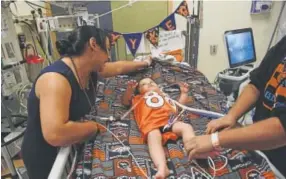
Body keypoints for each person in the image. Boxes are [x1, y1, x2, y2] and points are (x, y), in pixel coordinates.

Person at [21, 26, 153, 179]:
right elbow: (55, 133)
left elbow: (118, 67)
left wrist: (145, 63)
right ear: (93, 44)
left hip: (67, 146)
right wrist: (93, 127)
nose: (109, 57)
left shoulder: (89, 70)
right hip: (44, 156)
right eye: (108, 49)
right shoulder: (55, 80)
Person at [184, 36, 286, 176]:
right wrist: (231, 116)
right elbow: (257, 83)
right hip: (260, 149)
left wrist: (216, 140)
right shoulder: (283, 44)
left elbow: (282, 129)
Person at [122, 78, 196, 179]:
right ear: (138, 91)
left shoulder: (164, 96)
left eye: (152, 82)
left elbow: (178, 107)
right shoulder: (137, 98)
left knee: (186, 127)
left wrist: (183, 94)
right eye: (144, 84)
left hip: (169, 122)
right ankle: (162, 167)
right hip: (152, 125)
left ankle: (193, 149)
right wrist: (129, 90)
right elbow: (125, 101)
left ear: (158, 87)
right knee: (153, 137)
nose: (149, 84)